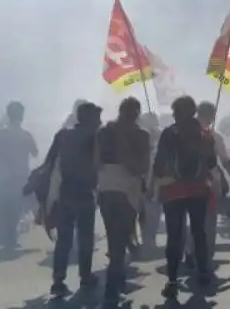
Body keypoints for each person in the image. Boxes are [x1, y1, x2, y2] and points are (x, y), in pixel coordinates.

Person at [152, 96, 217, 299]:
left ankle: (172, 279)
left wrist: (157, 180)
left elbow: (159, 164)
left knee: (174, 236)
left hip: (173, 191)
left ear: (178, 113)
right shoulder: (205, 135)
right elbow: (212, 163)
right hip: (198, 190)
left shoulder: (168, 134)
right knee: (199, 232)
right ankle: (203, 272)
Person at [44, 102, 103, 297]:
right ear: (90, 119)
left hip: (65, 191)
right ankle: (85, 276)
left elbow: (49, 163)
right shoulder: (94, 137)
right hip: (85, 193)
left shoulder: (63, 135)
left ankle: (58, 279)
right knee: (85, 237)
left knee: (64, 239)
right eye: (97, 118)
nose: (100, 122)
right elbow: (98, 164)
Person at [96, 98, 151, 304]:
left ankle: (117, 280)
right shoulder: (141, 135)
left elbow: (96, 160)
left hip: (106, 187)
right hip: (128, 189)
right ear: (137, 114)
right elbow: (142, 167)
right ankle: (113, 285)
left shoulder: (103, 132)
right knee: (121, 237)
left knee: (114, 236)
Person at [184, 101, 230, 269]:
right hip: (211, 185)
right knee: (209, 222)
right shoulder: (215, 137)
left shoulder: (183, 133)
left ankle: (190, 253)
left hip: (187, 184)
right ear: (211, 116)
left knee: (193, 220)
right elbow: (225, 161)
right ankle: (206, 256)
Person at [0, 102, 38, 249]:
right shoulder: (26, 135)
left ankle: (9, 237)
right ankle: (10, 237)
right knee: (16, 207)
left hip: (4, 177)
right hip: (20, 176)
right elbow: (35, 152)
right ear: (22, 116)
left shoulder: (1, 134)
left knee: (7, 207)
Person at [138, 111, 162, 250]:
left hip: (153, 179)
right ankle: (146, 238)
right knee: (144, 211)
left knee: (153, 211)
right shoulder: (139, 135)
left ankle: (149, 239)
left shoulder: (159, 134)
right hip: (141, 178)